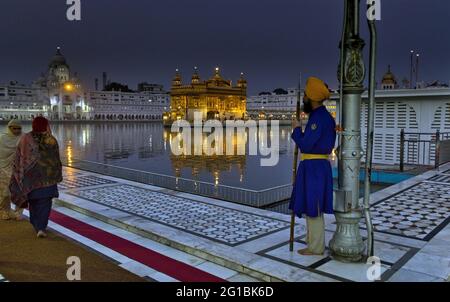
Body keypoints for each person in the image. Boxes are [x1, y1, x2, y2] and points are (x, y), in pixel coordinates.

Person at [290, 77, 336, 256]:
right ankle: (312, 242)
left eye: (306, 96)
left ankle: (316, 247)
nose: (304, 99)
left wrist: (296, 129)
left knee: (314, 206)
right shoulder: (321, 116)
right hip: (315, 166)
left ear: (312, 98)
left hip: (314, 168)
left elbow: (307, 145)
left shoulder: (318, 119)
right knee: (312, 204)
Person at [10, 117, 63, 238]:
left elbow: (19, 157)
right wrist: (57, 174)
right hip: (48, 178)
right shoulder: (51, 139)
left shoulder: (25, 138)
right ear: (46, 125)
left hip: (30, 178)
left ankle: (36, 225)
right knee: (45, 203)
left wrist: (18, 173)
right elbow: (56, 160)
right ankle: (41, 227)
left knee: (33, 202)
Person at [0, 120, 23, 220]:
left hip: (20, 168)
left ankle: (18, 212)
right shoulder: (2, 138)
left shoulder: (24, 138)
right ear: (9, 128)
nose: (17, 130)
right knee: (5, 192)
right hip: (4, 168)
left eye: (19, 128)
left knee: (21, 192)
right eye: (15, 128)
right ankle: (5, 211)